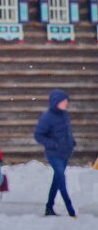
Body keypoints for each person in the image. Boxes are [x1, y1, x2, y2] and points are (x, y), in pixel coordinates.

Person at [34, 89, 76, 217]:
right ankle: (71, 211)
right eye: (63, 101)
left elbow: (66, 132)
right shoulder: (47, 117)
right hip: (54, 154)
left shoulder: (64, 114)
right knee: (62, 182)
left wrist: (71, 142)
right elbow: (38, 135)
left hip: (64, 153)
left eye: (66, 101)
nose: (66, 103)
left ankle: (49, 208)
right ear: (56, 102)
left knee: (57, 181)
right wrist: (54, 144)